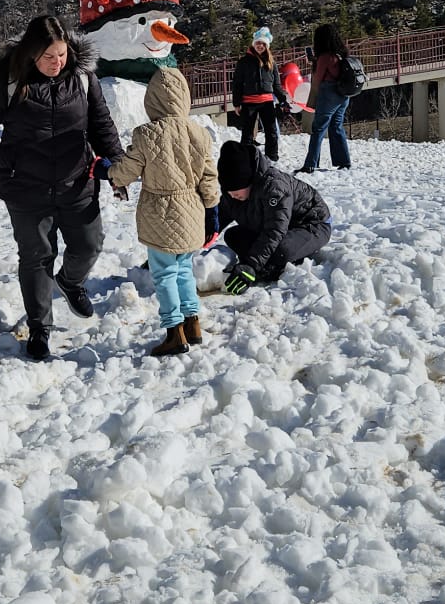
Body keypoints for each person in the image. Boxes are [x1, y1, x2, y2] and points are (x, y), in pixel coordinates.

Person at [0, 15, 123, 362]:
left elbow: (102, 126)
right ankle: (39, 328)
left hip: (78, 181)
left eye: (61, 55)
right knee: (36, 258)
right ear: (31, 54)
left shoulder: (83, 79)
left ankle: (71, 282)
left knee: (90, 244)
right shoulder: (11, 79)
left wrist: (119, 169)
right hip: (26, 185)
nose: (56, 63)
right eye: (48, 57)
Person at [109, 65, 220, 357]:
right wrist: (213, 210)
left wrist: (107, 172)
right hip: (192, 211)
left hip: (160, 213)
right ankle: (192, 323)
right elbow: (209, 178)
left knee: (164, 274)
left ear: (152, 100)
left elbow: (125, 172)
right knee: (184, 269)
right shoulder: (199, 133)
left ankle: (174, 332)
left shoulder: (146, 134)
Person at [216, 140, 331, 291]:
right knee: (233, 235)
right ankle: (269, 263)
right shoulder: (232, 195)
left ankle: (274, 266)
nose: (232, 195)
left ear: (249, 180)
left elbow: (274, 231)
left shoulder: (274, 187)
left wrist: (251, 266)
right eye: (229, 192)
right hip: (277, 228)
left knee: (282, 250)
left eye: (236, 191)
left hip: (311, 225)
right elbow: (216, 220)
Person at [298, 22, 352, 173]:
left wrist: (314, 66)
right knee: (336, 126)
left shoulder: (324, 56)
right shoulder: (341, 52)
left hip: (329, 94)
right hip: (343, 94)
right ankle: (344, 161)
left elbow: (318, 79)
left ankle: (310, 164)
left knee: (318, 128)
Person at [231, 26, 288, 161]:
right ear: (253, 44)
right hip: (249, 102)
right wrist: (236, 103)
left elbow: (276, 84)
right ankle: (246, 158)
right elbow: (237, 84)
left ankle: (272, 157)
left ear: (267, 46)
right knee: (248, 133)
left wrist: (283, 100)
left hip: (267, 101)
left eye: (263, 44)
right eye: (258, 43)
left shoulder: (271, 62)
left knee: (271, 131)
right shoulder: (244, 61)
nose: (260, 46)